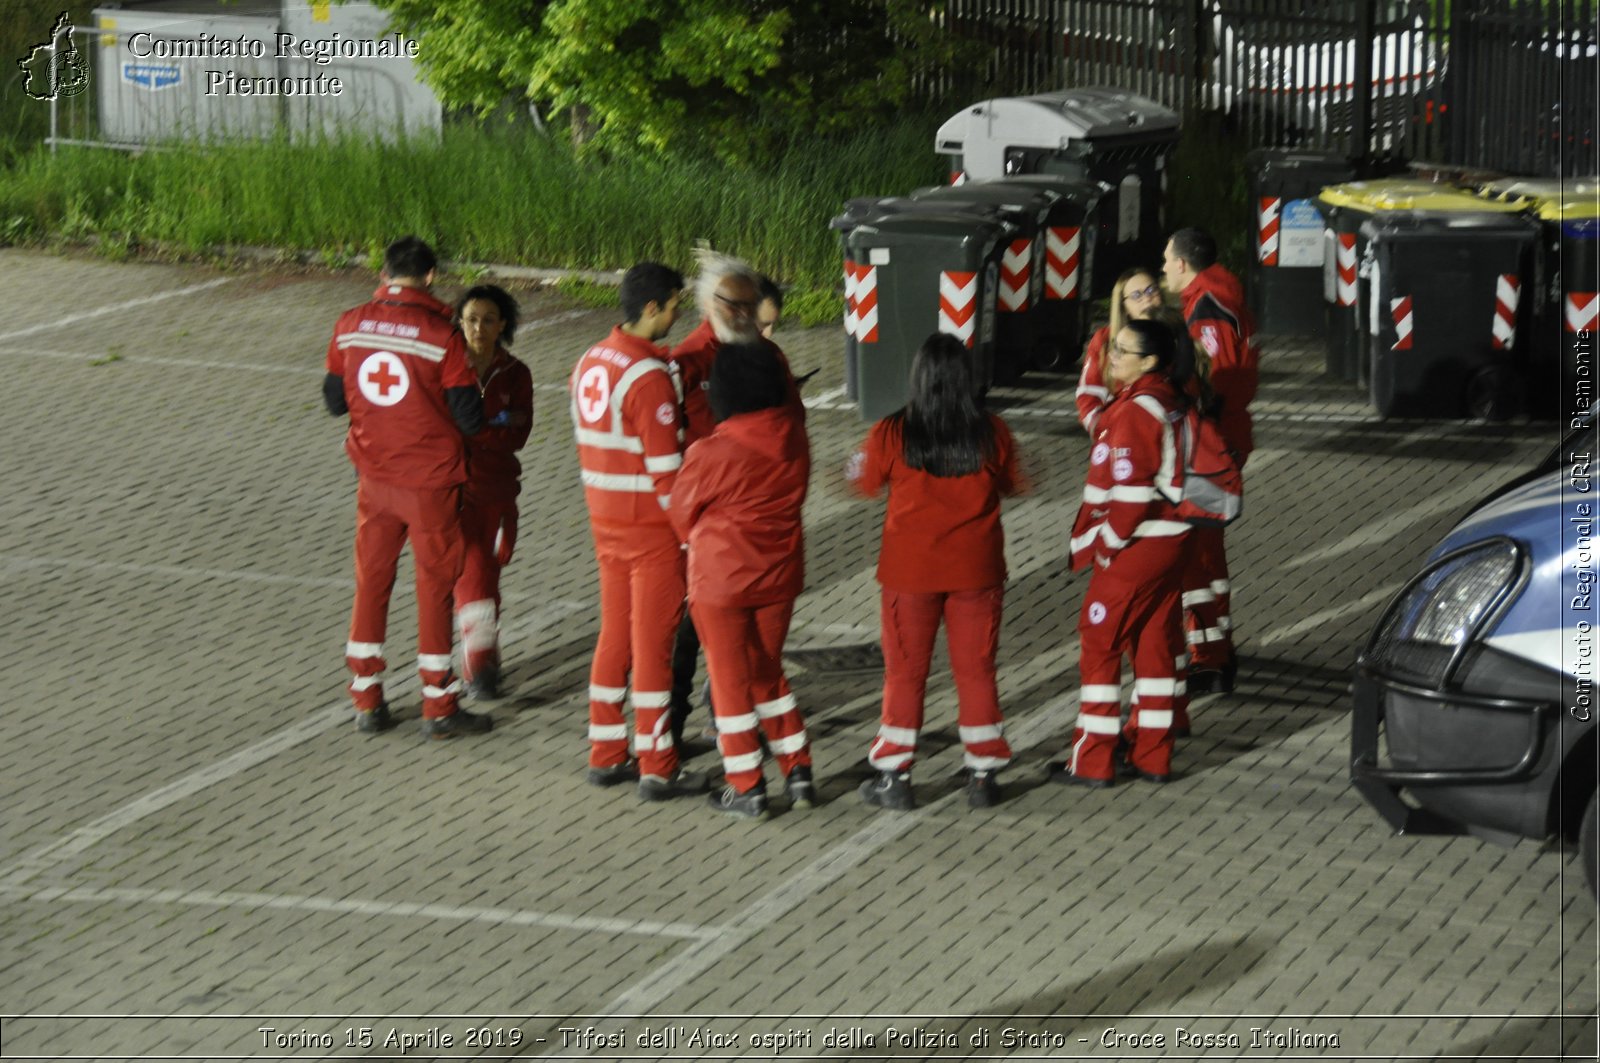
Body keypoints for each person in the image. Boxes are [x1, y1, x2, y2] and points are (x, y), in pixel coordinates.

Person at [322, 235, 491, 738]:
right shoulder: (443, 334)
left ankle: (367, 699)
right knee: (435, 585)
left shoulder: (349, 325)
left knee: (371, 581)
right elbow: (469, 417)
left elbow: (335, 401)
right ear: (432, 275)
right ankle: (439, 704)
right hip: (430, 482)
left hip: (374, 478)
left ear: (384, 272)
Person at [848, 332, 1022, 810]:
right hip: (978, 571)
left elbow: (861, 482)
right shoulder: (992, 433)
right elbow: (1013, 481)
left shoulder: (892, 433)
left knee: (905, 674)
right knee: (977, 671)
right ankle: (983, 772)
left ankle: (895, 774)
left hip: (910, 574)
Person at [569, 261, 707, 800]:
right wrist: (692, 534)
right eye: (674, 305)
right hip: (651, 529)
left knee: (615, 636)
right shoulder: (647, 378)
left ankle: (605, 750)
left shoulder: (591, 359)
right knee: (654, 646)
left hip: (605, 521)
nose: (678, 313)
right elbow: (667, 473)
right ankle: (658, 764)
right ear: (650, 308)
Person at [669, 343, 814, 820]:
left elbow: (681, 515)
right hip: (779, 576)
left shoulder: (711, 450)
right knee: (767, 672)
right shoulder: (794, 438)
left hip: (721, 583)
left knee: (729, 684)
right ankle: (798, 768)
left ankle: (746, 784)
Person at [666, 255, 804, 749]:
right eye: (735, 304)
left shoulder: (771, 357)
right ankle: (671, 734)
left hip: (760, 537)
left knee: (758, 657)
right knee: (681, 642)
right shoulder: (686, 362)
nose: (745, 315)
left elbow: (795, 427)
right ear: (708, 304)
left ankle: (749, 745)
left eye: (752, 306)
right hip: (705, 536)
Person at [1051, 319, 1191, 786]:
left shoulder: (1135, 412)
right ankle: (1153, 755)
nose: (1113, 357)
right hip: (1171, 543)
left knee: (1099, 645)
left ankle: (1092, 760)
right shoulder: (1168, 400)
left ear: (1149, 361)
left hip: (1137, 548)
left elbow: (1129, 498)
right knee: (1153, 648)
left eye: (1123, 351)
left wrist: (1106, 548)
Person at [1163, 227, 1257, 695]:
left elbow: (1216, 378)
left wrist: (1198, 426)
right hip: (1222, 438)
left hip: (1211, 443)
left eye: (1166, 261)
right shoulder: (1218, 295)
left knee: (1197, 557)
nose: (1163, 270)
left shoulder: (1206, 310)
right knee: (1207, 553)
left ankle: (1209, 659)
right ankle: (1216, 646)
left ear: (1183, 264)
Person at [452, 285, 534, 701]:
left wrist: (476, 430)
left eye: (487, 319)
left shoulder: (515, 373)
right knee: (473, 567)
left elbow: (517, 432)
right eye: (470, 319)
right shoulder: (448, 369)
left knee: (492, 563)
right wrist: (492, 426)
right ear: (459, 323)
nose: (478, 328)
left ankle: (484, 651)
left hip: (499, 488)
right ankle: (478, 661)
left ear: (502, 324)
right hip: (455, 489)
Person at [1075, 266, 1165, 436]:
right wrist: (1106, 433)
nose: (1147, 298)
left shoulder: (1178, 333)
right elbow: (1089, 396)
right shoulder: (1105, 340)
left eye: (1151, 290)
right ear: (1124, 306)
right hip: (1121, 436)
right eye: (1137, 295)